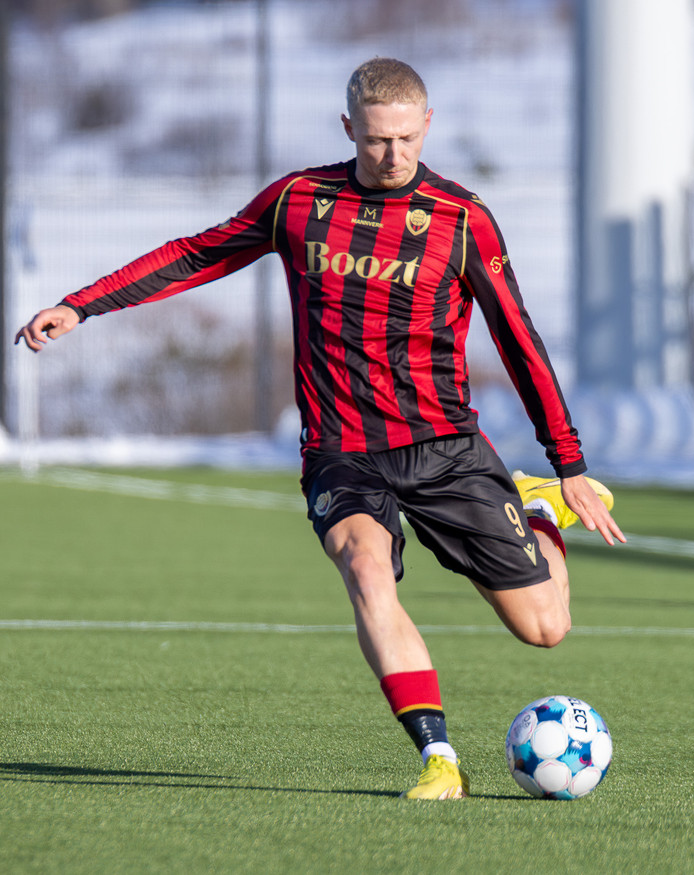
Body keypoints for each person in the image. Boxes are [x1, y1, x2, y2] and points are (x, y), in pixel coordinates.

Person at [16, 58, 625, 800]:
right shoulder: (299, 201)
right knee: (366, 570)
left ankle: (535, 512)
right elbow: (198, 254)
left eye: (406, 137)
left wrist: (567, 464)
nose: (393, 154)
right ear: (348, 129)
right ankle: (439, 759)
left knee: (545, 629)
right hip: (342, 452)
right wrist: (83, 304)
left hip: (445, 447)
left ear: (427, 125)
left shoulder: (461, 219)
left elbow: (518, 337)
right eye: (376, 140)